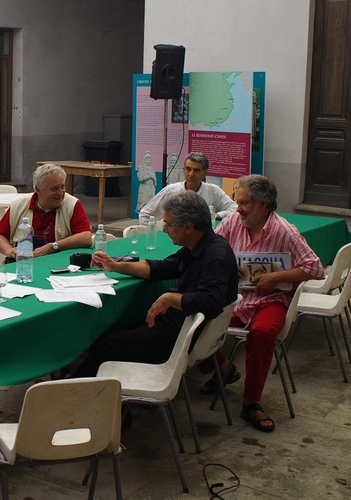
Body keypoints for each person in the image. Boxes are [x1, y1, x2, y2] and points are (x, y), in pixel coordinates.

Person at [201, 174, 323, 433]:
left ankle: (251, 402)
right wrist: (226, 263)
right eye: (238, 201)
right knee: (197, 323)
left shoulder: (285, 231)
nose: (238, 208)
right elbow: (210, 248)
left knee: (262, 332)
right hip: (235, 299)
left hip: (271, 299)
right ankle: (223, 368)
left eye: (244, 203)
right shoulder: (233, 222)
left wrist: (277, 277)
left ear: (263, 204)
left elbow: (314, 267)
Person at [74, 191, 237, 377]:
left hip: (178, 336)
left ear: (189, 227)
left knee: (105, 345)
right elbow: (162, 268)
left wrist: (170, 298)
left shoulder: (215, 256)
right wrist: (116, 266)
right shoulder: (198, 246)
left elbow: (211, 301)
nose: (165, 230)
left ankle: (75, 396)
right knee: (112, 328)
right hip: (176, 324)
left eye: (168, 224)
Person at [0, 163, 92, 260]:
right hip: (24, 263)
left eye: (62, 187)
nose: (60, 193)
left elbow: (86, 237)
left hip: (58, 262)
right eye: (54, 189)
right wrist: (9, 251)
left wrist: (53, 247)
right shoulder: (19, 205)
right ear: (38, 189)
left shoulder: (72, 204)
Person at [139, 151, 236, 225]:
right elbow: (145, 214)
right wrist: (154, 233)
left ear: (204, 174)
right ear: (184, 170)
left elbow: (234, 209)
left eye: (196, 170)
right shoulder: (171, 190)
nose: (191, 174)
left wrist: (216, 216)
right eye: (188, 169)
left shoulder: (212, 191)